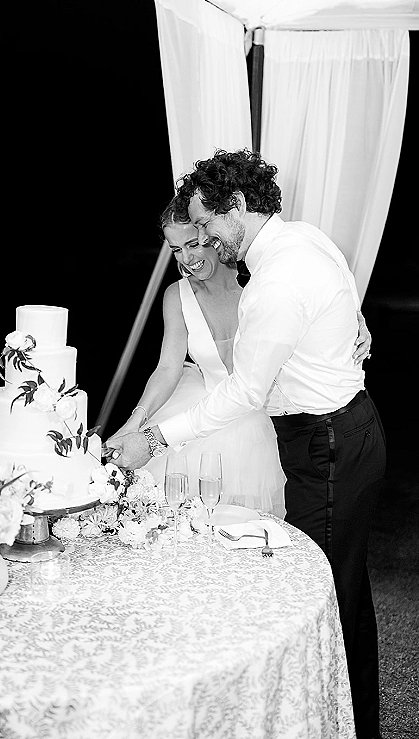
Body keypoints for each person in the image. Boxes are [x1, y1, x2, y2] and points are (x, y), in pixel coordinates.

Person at [104, 149, 385, 739]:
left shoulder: (272, 282)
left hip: (326, 443)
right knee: (343, 588)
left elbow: (244, 394)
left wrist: (152, 437)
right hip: (343, 431)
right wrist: (353, 327)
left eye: (206, 223)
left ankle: (329, 721)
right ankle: (351, 719)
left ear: (236, 209)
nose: (200, 238)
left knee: (319, 599)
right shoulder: (306, 240)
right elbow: (339, 298)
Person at [109, 196, 287, 516]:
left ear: (212, 235)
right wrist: (135, 421)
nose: (187, 258)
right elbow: (167, 368)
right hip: (195, 419)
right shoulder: (176, 296)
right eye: (176, 249)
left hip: (260, 425)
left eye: (193, 244)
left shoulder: (258, 283)